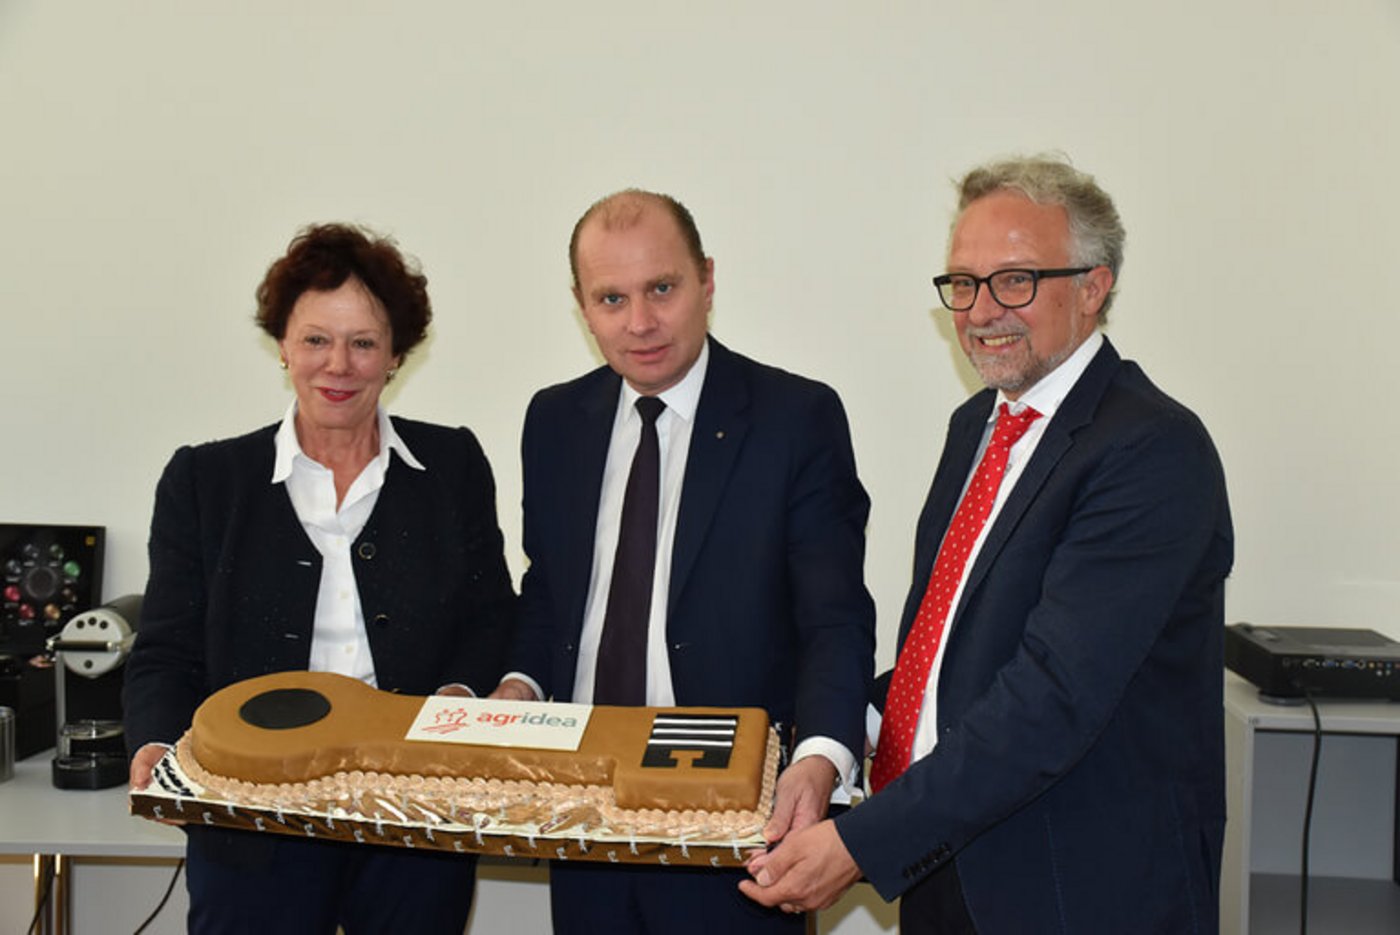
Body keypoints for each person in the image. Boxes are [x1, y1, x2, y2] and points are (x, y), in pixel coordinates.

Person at [742, 155, 1234, 933]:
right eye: (963, 284)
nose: (979, 310)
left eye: (1015, 280)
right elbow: (944, 658)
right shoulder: (977, 427)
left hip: (1081, 892)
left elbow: (1051, 696)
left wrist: (863, 841)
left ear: (1094, 286)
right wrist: (830, 752)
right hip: (950, 871)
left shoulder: (1152, 449)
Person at [492, 189, 875, 934]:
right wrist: (518, 682)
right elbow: (553, 591)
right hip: (584, 812)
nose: (639, 322)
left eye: (661, 288)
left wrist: (824, 757)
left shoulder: (795, 418)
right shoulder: (554, 421)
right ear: (582, 305)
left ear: (706, 279)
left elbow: (833, 617)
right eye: (612, 298)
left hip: (732, 820)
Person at [123, 223, 517, 934]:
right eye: (315, 339)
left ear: (396, 354)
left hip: (416, 818)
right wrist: (155, 742)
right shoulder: (205, 481)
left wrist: (452, 702)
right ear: (282, 344)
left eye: (364, 342)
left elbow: (491, 617)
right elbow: (166, 647)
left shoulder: (452, 465)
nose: (339, 364)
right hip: (250, 820)